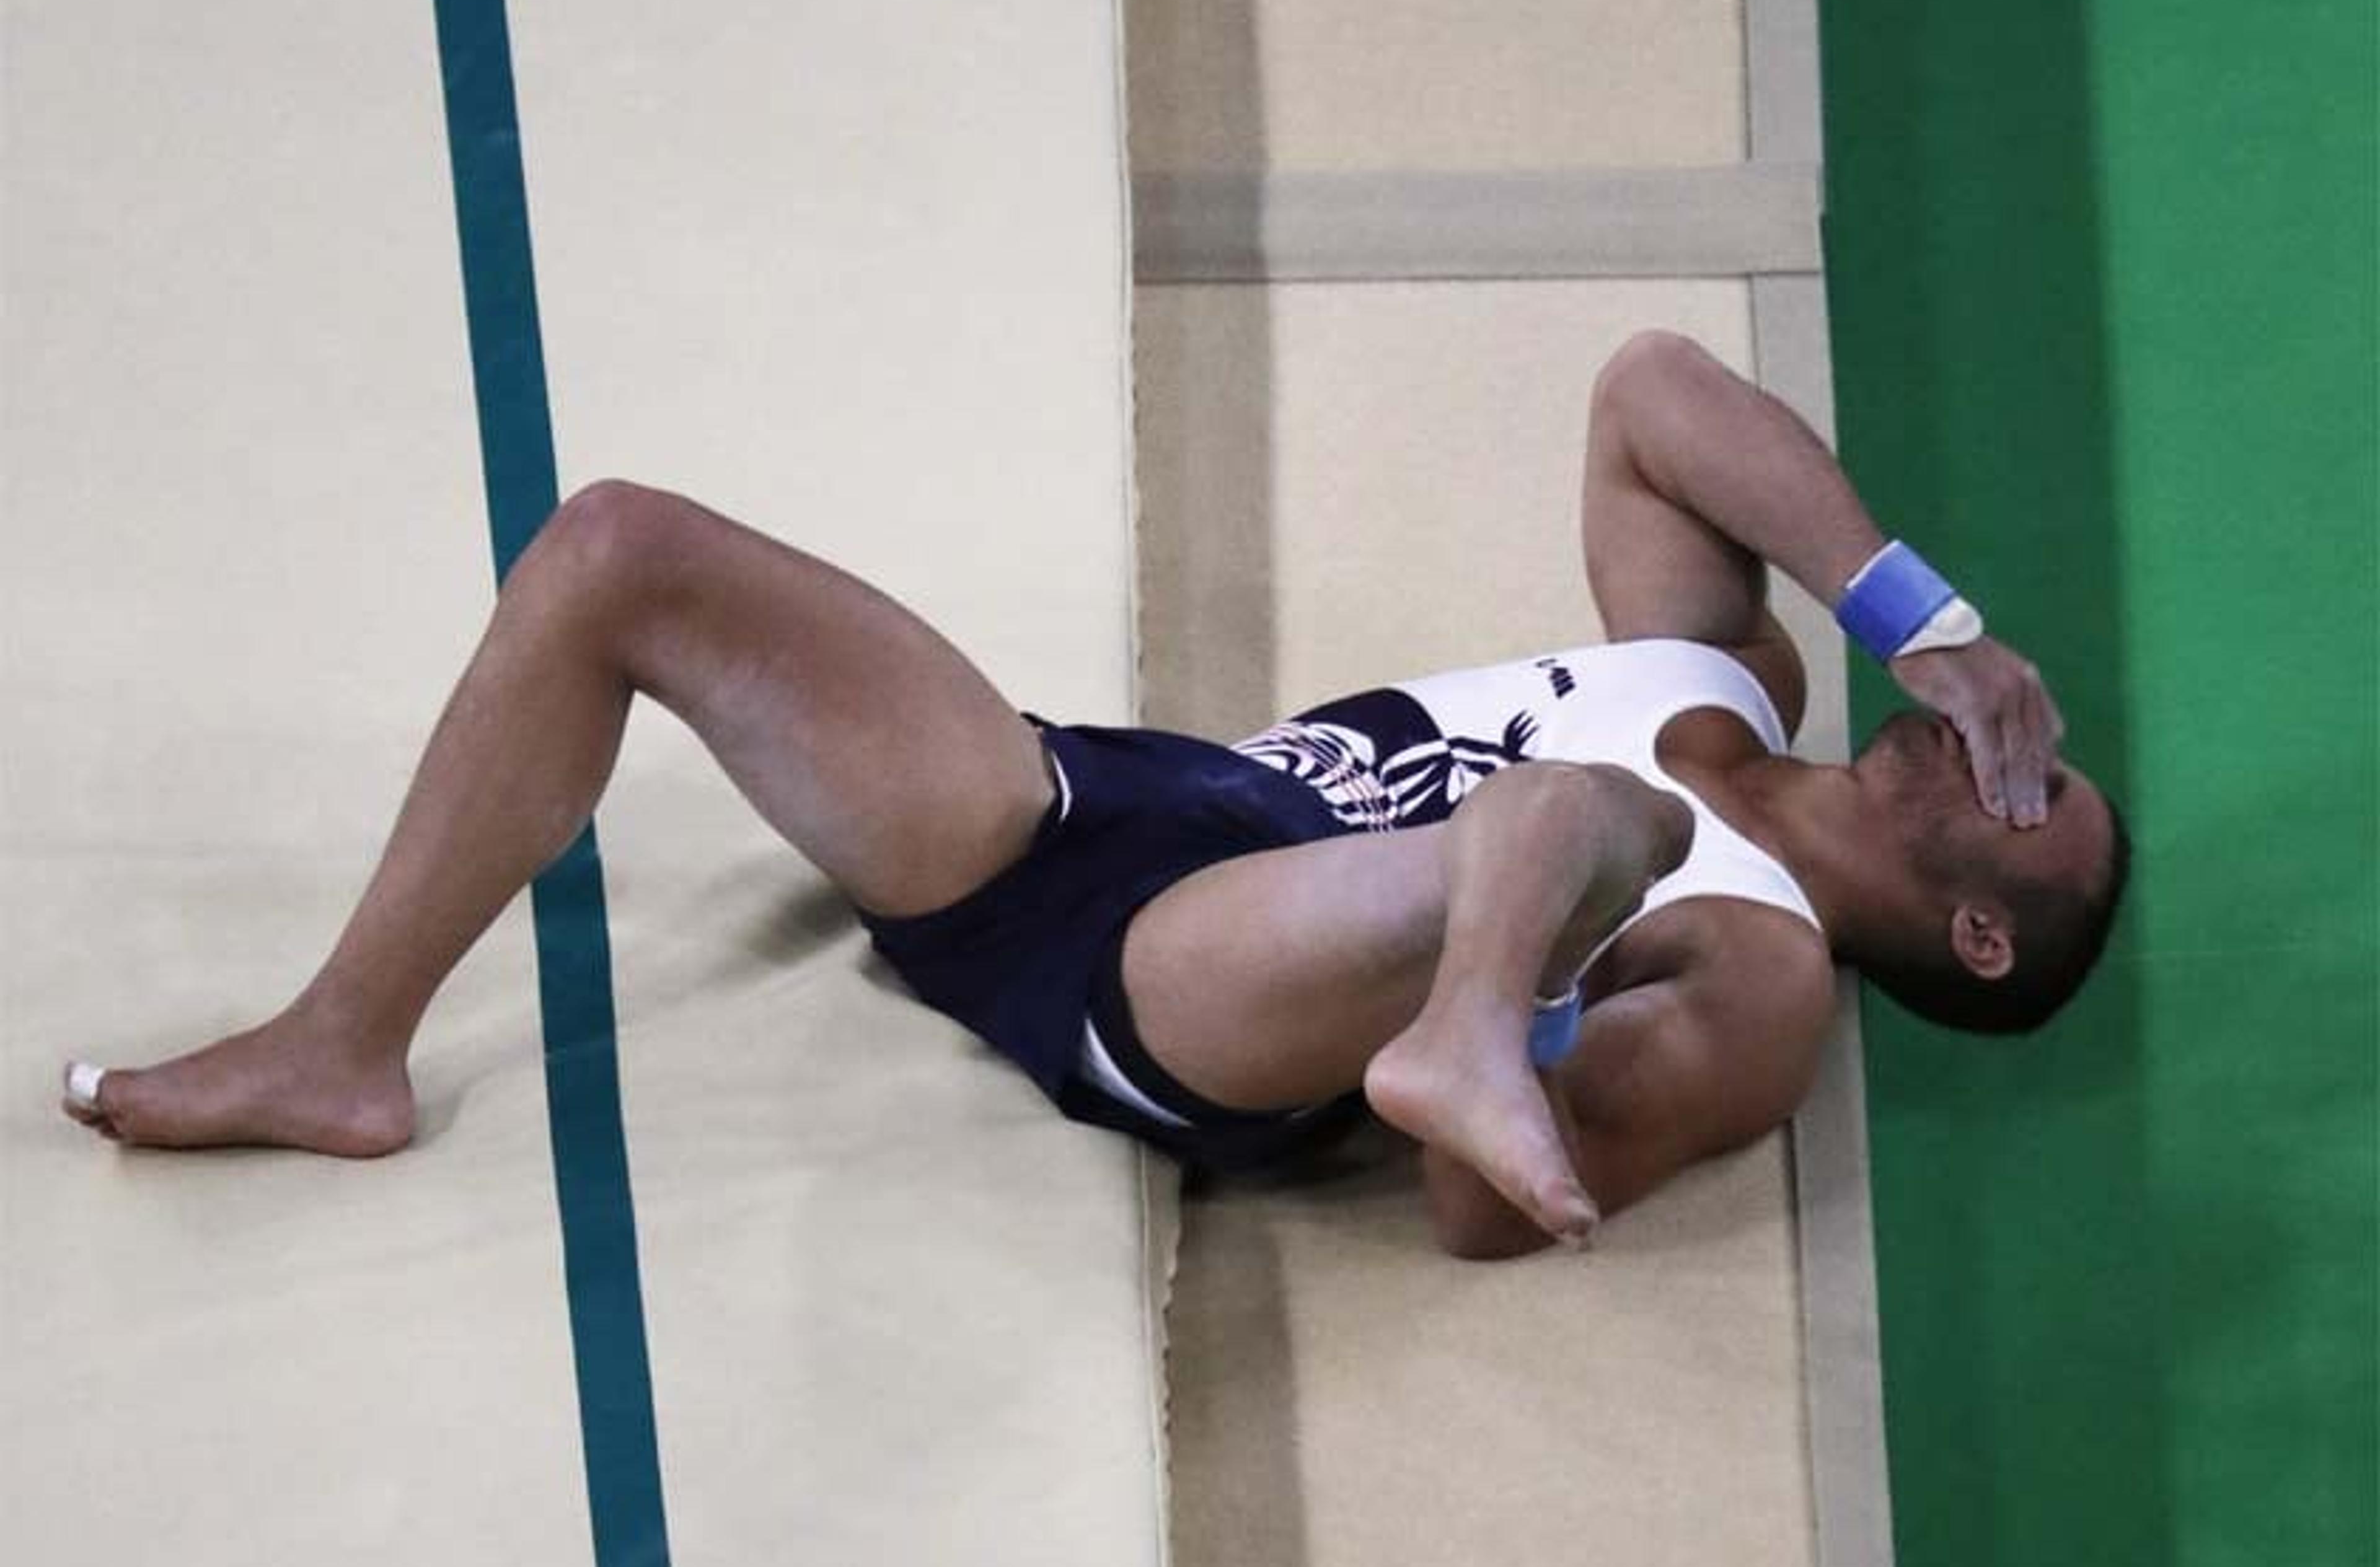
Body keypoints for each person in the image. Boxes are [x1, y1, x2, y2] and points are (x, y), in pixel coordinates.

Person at [60, 330, 2127, 1259]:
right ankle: (343, 1051)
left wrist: (1518, 1004)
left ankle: (1462, 1018)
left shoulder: (1766, 989)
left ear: (1972, 929)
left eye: (2038, 796)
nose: (2006, 741)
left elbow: (1487, 1224)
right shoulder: (1739, 669)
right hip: (1087, 815)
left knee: (1599, 834)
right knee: (618, 548)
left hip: (1222, 992)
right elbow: (1653, 393)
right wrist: (1920, 612)